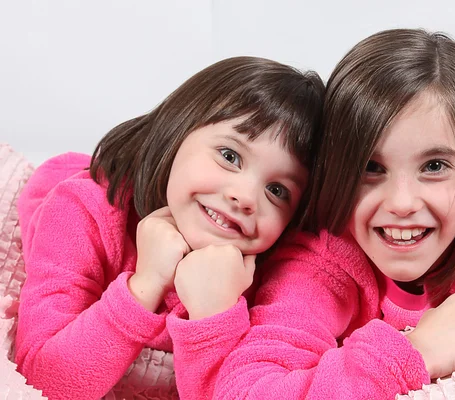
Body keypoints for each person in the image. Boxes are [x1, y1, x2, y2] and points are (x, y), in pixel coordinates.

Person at [214, 29, 455, 399]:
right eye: (370, 167)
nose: (401, 203)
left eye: (434, 166)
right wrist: (418, 350)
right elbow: (247, 389)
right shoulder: (323, 255)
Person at [15, 56, 324, 399]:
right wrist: (145, 284)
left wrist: (214, 309)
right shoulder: (83, 211)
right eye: (230, 156)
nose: (244, 196)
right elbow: (41, 382)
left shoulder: (282, 274)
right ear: (177, 130)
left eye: (277, 190)